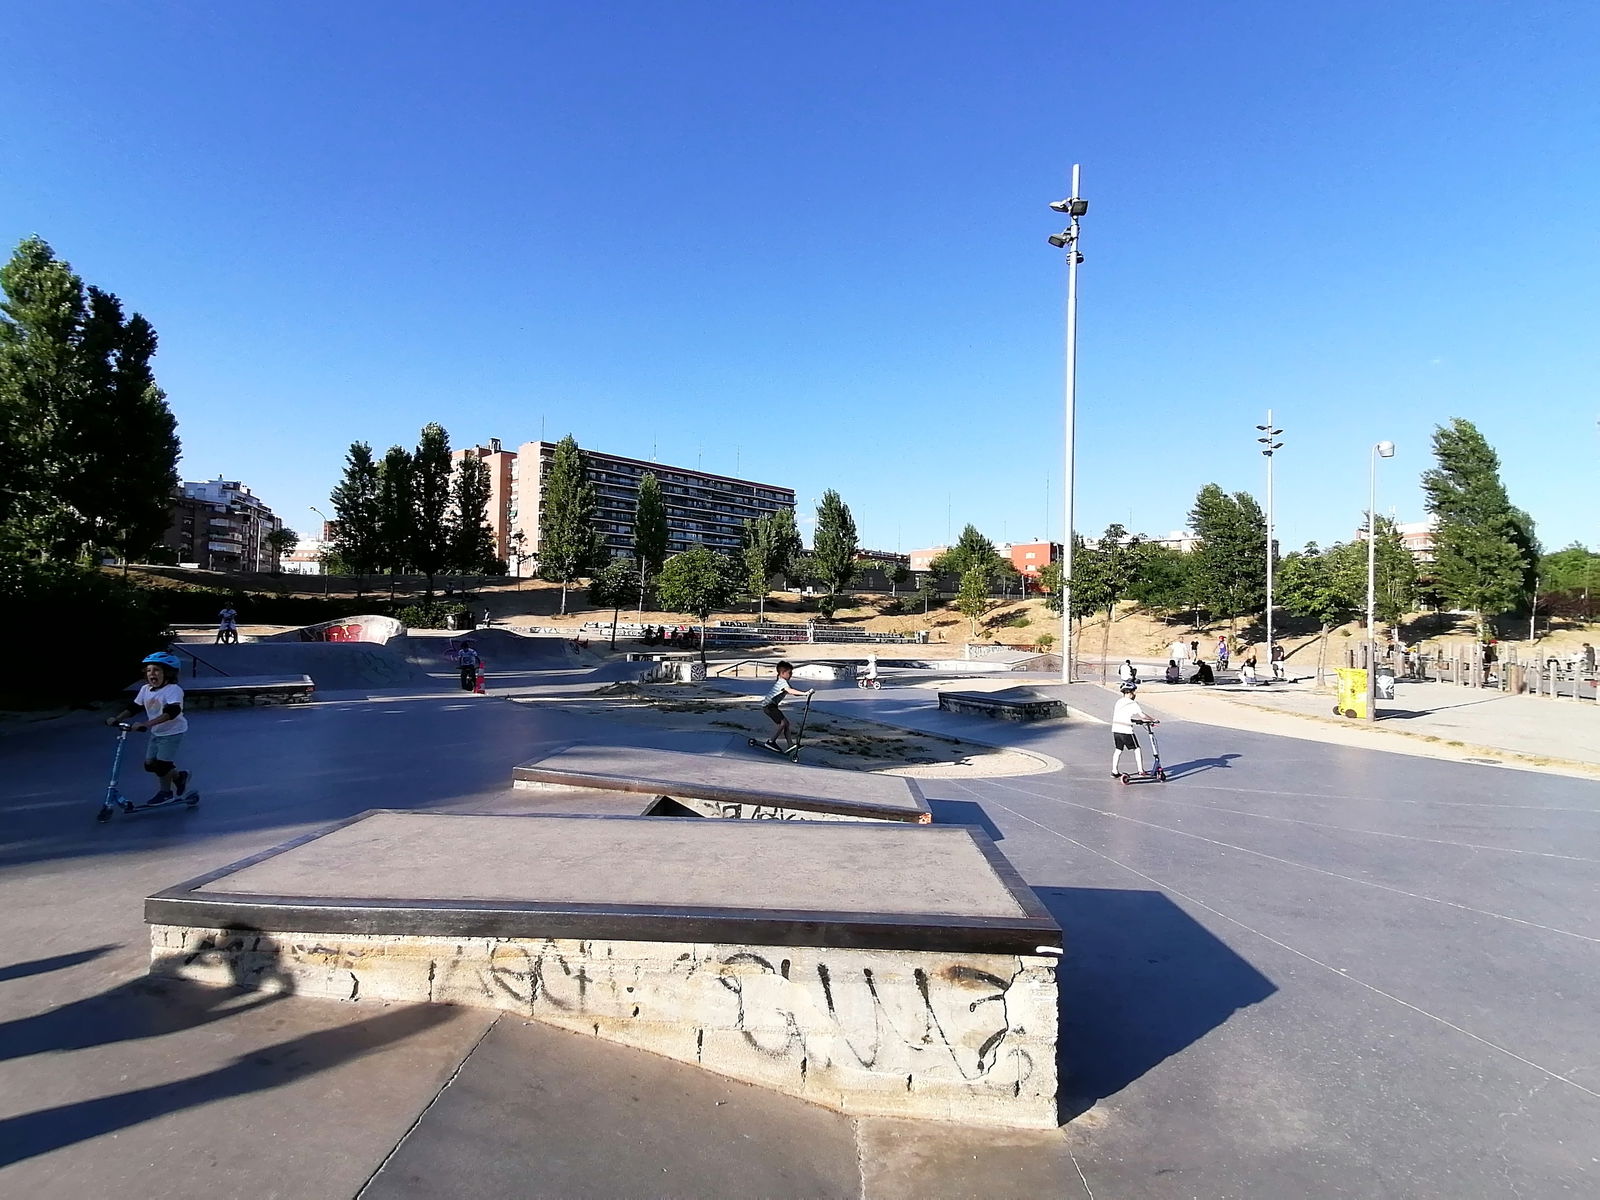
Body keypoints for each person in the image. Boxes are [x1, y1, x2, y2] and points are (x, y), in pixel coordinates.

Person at [105, 652, 190, 805]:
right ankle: (179, 777)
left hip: (173, 732)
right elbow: (134, 707)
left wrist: (146, 724)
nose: (152, 674)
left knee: (162, 765)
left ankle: (166, 793)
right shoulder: (145, 689)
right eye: (149, 670)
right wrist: (117, 718)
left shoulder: (173, 689)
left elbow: (172, 712)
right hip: (157, 732)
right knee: (150, 764)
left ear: (168, 673)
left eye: (156, 670)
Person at [761, 661, 814, 752]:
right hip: (769, 706)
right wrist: (805, 693)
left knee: (786, 724)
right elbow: (790, 690)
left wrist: (805, 694)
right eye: (789, 672)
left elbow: (793, 692)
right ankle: (771, 742)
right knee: (783, 723)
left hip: (772, 706)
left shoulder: (782, 681)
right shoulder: (782, 682)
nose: (791, 675)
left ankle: (790, 745)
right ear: (782, 673)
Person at [1110, 681, 1150, 778]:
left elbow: (1122, 716)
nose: (1134, 694)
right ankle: (1141, 770)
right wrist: (1153, 719)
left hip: (1116, 729)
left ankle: (1114, 771)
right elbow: (1143, 715)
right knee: (1137, 749)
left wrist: (1135, 721)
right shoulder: (1132, 703)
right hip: (1126, 730)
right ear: (1129, 692)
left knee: (1118, 749)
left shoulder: (1119, 702)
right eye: (1133, 691)